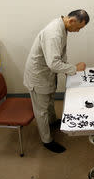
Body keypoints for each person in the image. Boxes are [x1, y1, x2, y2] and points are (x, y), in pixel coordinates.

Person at [23, 9, 89, 153]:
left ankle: (52, 122)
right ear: (71, 21)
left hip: (47, 73)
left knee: (50, 100)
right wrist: (74, 69)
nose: (77, 31)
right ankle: (47, 141)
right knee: (41, 110)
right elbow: (53, 63)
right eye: (78, 28)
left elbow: (59, 54)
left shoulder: (62, 26)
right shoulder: (54, 33)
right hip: (38, 76)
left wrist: (67, 70)